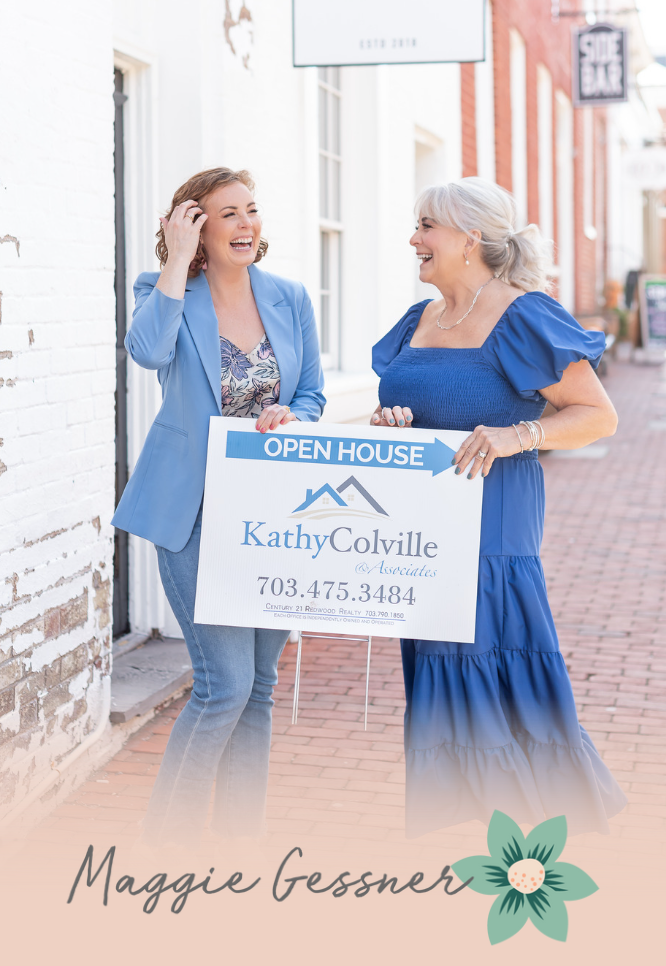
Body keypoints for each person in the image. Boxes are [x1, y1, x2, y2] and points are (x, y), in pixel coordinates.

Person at [370, 176, 626, 838]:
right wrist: (390, 425)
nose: (414, 239)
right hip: (421, 536)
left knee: (489, 667)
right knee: (440, 672)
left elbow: (597, 415)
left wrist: (521, 434)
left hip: (493, 534)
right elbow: (415, 414)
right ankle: (465, 835)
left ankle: (529, 837)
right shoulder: (418, 320)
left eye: (426, 226)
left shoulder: (524, 316)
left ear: (470, 238)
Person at [112, 167, 325, 849]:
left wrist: (292, 416)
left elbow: (313, 393)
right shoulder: (163, 291)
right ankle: (162, 850)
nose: (246, 224)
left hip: (272, 516)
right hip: (193, 511)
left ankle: (240, 848)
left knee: (259, 685)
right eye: (227, 213)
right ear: (196, 227)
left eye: (251, 209)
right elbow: (147, 352)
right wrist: (177, 263)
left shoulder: (290, 297)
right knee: (222, 686)